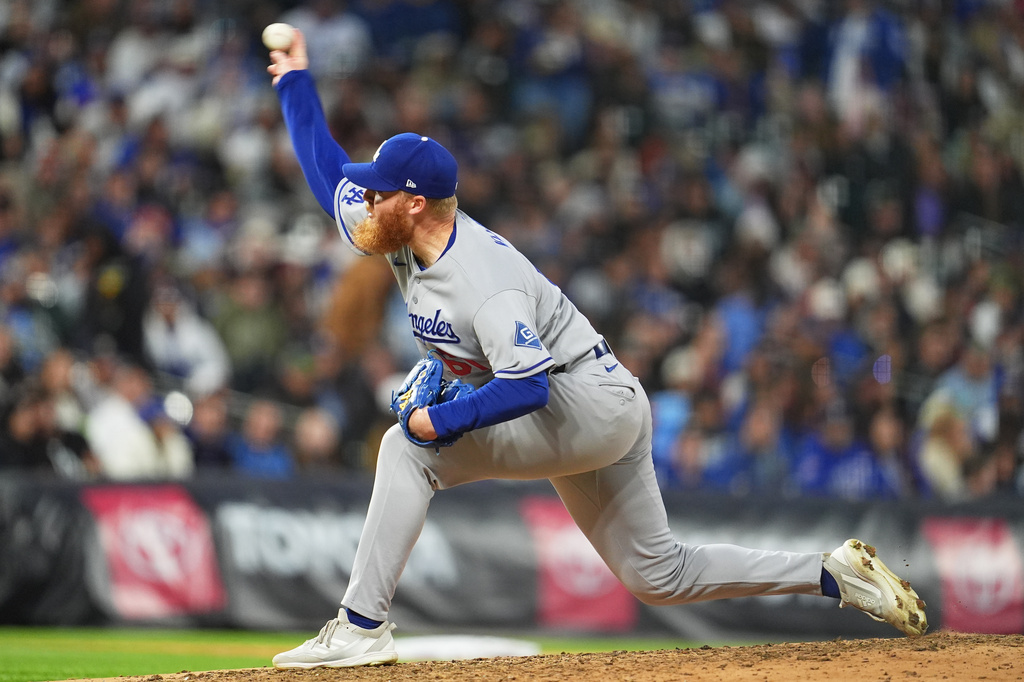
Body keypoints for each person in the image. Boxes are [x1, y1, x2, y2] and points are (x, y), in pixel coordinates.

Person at [266, 29, 927, 669]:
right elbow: (328, 173)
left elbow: (529, 386)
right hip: (600, 403)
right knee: (659, 573)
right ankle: (832, 574)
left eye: (379, 189)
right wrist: (295, 79)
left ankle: (359, 628)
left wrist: (437, 420)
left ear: (413, 204)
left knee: (407, 449)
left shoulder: (481, 281)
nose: (365, 198)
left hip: (582, 401)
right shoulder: (399, 231)